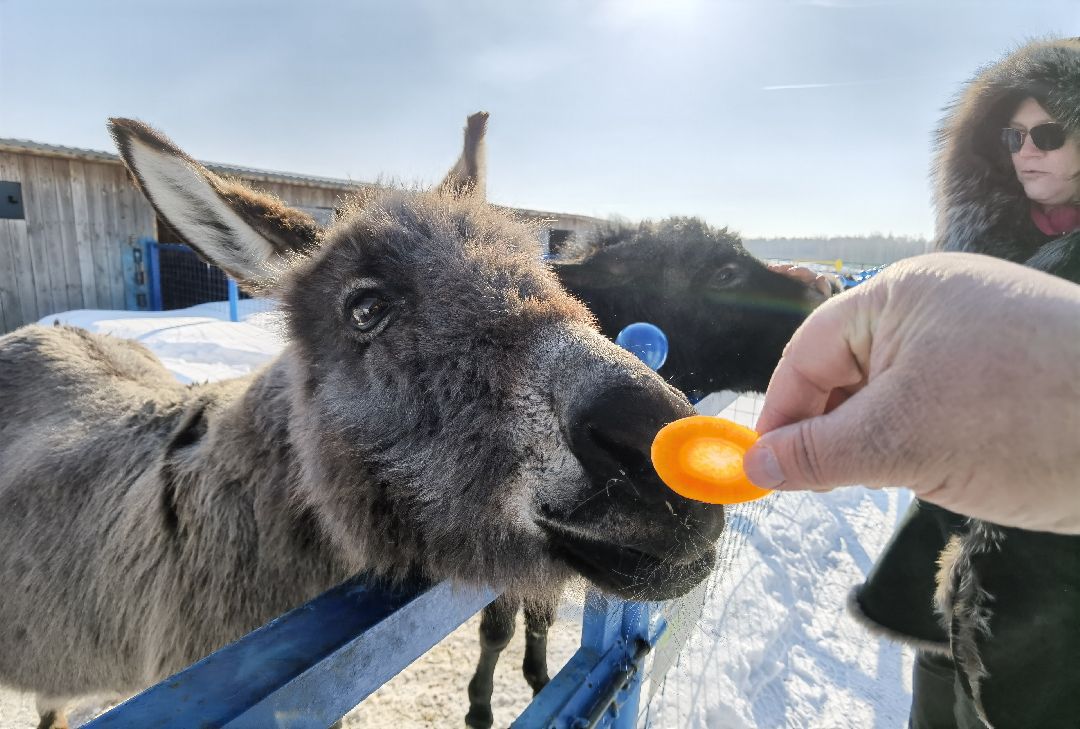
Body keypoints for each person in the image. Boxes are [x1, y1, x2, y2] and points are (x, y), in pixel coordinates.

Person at [750, 37, 1080, 728]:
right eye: (1013, 133)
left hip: (1059, 601)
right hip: (956, 567)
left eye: (1048, 132)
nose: (1026, 150)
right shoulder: (978, 247)